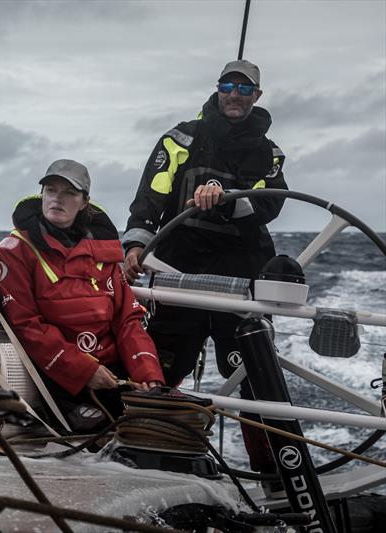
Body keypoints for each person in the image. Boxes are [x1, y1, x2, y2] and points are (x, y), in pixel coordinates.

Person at [121, 59, 287, 475]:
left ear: (257, 97)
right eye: (228, 85)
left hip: (240, 282)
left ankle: (275, 480)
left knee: (254, 384)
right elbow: (150, 196)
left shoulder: (270, 152)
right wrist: (137, 244)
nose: (235, 93)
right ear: (217, 89)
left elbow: (271, 204)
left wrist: (227, 196)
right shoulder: (181, 138)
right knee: (157, 372)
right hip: (179, 275)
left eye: (245, 88)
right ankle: (137, 463)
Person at [0, 159, 164, 432]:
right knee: (98, 435)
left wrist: (147, 375)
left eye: (69, 193)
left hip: (114, 372)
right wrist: (84, 371)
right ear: (42, 195)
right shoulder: (14, 251)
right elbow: (26, 326)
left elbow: (128, 320)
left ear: (84, 202)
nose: (57, 199)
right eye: (51, 190)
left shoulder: (102, 251)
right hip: (62, 376)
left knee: (163, 427)